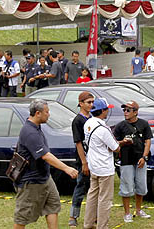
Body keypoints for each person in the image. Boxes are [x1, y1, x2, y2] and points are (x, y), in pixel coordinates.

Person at [13, 99, 78, 229]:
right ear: (38, 113)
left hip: (45, 178)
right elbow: (45, 156)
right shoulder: (30, 132)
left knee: (53, 206)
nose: (49, 114)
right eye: (47, 112)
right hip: (31, 182)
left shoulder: (36, 127)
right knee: (23, 217)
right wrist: (66, 168)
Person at [83, 98, 131, 229]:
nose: (108, 111)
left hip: (93, 164)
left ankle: (88, 223)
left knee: (92, 195)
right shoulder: (103, 128)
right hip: (104, 167)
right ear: (103, 111)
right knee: (105, 199)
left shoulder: (88, 123)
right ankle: (102, 226)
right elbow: (115, 147)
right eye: (106, 109)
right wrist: (122, 142)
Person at [113, 100, 153, 223]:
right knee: (126, 187)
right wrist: (123, 142)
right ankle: (127, 213)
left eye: (128, 110)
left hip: (140, 159)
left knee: (141, 186)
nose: (125, 112)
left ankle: (139, 210)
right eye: (124, 110)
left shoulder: (144, 124)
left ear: (135, 112)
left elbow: (148, 141)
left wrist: (144, 157)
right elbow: (113, 143)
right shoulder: (120, 126)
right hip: (126, 160)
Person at [68, 92, 95, 228]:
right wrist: (84, 162)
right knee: (80, 187)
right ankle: (73, 216)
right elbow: (78, 143)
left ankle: (93, 216)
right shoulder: (77, 120)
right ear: (81, 103)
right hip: (83, 160)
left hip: (95, 159)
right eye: (88, 102)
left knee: (94, 189)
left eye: (92, 102)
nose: (91, 105)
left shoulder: (92, 118)